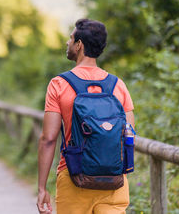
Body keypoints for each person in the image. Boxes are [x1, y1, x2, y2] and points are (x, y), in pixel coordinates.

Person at [37, 19, 135, 214]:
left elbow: (48, 139)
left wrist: (41, 188)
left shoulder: (59, 84)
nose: (67, 42)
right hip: (114, 182)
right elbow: (129, 136)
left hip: (74, 178)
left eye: (71, 38)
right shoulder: (118, 85)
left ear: (79, 44)